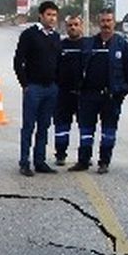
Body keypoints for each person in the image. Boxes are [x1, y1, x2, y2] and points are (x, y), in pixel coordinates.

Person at [70, 8, 128, 173]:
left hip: (111, 96)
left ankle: (104, 162)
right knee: (86, 131)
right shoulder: (88, 43)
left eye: (109, 21)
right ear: (99, 23)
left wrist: (122, 91)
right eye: (103, 21)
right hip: (89, 95)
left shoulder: (123, 45)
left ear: (114, 22)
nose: (106, 24)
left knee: (108, 132)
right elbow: (78, 67)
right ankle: (83, 161)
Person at [12, 1, 62, 176]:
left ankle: (39, 161)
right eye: (49, 14)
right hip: (33, 88)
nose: (52, 18)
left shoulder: (56, 37)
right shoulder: (29, 35)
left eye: (54, 15)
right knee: (28, 126)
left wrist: (56, 84)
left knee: (44, 126)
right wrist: (25, 84)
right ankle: (24, 162)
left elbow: (58, 63)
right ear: (41, 15)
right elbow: (18, 61)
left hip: (50, 89)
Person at [53, 15, 86, 165]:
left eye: (76, 24)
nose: (73, 27)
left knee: (85, 127)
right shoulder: (60, 46)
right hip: (63, 93)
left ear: (81, 26)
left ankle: (84, 157)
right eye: (70, 25)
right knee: (61, 126)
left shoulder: (88, 45)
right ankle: (60, 154)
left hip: (83, 94)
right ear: (66, 27)